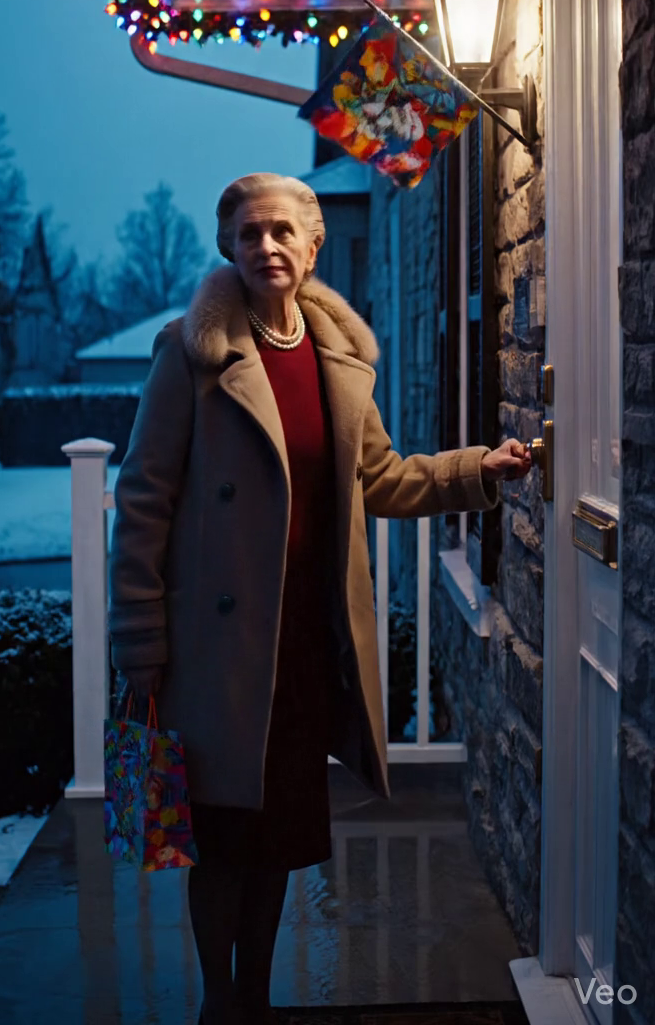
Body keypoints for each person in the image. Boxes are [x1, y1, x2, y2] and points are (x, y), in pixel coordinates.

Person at [108, 172, 531, 1025]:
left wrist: (476, 469)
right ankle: (218, 1003)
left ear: (312, 246)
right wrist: (140, 648)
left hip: (305, 641)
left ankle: (257, 998)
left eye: (281, 233)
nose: (265, 247)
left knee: (276, 840)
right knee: (222, 839)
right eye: (248, 234)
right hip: (216, 655)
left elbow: (382, 478)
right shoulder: (191, 354)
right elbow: (143, 502)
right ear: (228, 246)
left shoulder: (341, 367)